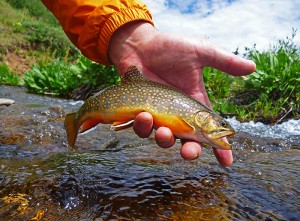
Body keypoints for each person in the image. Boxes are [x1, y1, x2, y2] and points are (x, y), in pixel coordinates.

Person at [41, 0, 256, 167]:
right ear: (203, 118)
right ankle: (77, 120)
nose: (225, 131)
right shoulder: (190, 118)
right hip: (101, 104)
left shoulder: (193, 118)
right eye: (221, 126)